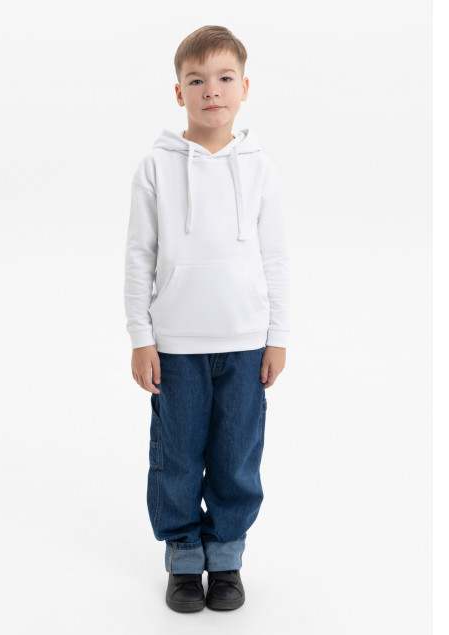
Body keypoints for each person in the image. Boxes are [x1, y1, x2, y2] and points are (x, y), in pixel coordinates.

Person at [123, 25, 291, 613]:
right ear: (179, 93)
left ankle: (226, 556)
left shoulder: (261, 168)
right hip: (176, 344)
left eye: (224, 78)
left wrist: (278, 337)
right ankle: (183, 556)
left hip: (245, 342)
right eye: (196, 81)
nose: (211, 91)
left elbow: (275, 257)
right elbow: (140, 255)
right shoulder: (155, 167)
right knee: (176, 455)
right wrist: (141, 338)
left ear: (244, 87)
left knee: (235, 456)